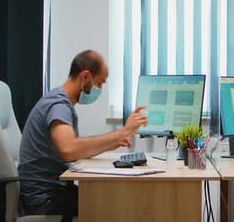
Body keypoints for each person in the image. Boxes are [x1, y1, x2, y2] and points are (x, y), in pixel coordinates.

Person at [18, 49, 147, 217]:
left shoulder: (58, 102)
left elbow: (74, 150)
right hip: (46, 200)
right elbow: (68, 150)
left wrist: (114, 141)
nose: (99, 89)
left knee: (116, 200)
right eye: (100, 83)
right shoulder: (58, 105)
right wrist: (122, 133)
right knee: (121, 205)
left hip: (52, 194)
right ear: (85, 76)